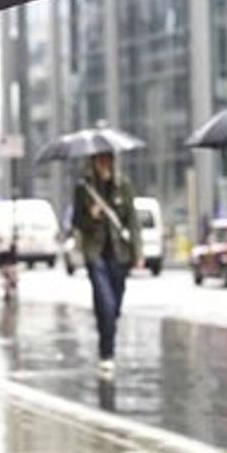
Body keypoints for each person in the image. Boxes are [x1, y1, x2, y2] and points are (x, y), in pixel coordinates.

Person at [71, 151, 141, 377]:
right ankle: (107, 353)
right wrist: (91, 215)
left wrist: (138, 253)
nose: (103, 164)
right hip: (96, 254)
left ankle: (106, 334)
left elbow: (133, 221)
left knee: (114, 307)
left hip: (120, 254)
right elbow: (76, 222)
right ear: (92, 161)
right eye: (99, 159)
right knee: (106, 303)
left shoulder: (124, 185)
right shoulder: (84, 188)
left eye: (107, 159)